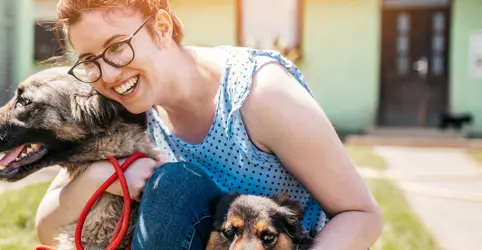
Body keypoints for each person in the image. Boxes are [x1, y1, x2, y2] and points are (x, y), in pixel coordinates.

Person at [34, 0, 383, 249]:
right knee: (175, 186)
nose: (108, 74)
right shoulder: (123, 106)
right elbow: (47, 227)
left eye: (117, 47)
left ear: (161, 27)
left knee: (173, 184)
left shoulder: (260, 95)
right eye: (89, 61)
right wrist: (102, 177)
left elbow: (362, 214)